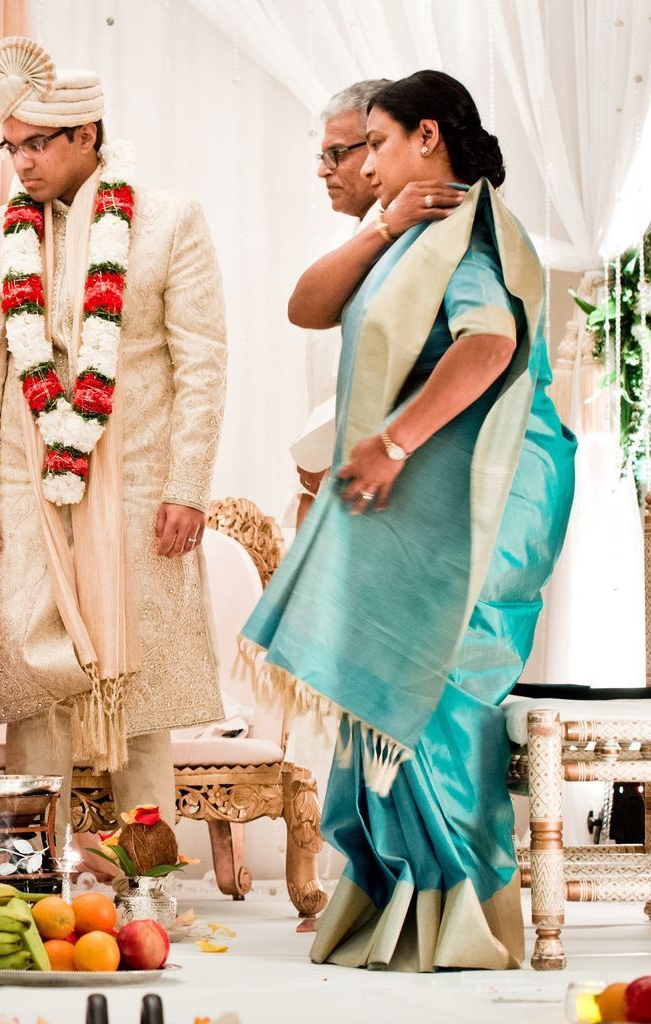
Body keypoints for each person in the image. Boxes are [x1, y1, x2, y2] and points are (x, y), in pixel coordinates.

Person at [242, 70, 576, 971]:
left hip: (484, 487)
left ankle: (457, 916)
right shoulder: (409, 232)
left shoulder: (470, 235)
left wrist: (391, 441)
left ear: (425, 136)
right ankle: (391, 900)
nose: (368, 163)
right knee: (380, 680)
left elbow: (489, 344)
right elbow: (307, 306)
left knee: (440, 684)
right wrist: (383, 222)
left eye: (377, 144)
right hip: (423, 489)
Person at [0, 37, 228, 827]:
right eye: (11, 147)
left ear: (87, 135)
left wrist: (187, 488)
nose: (22, 164)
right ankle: (36, 883)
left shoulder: (168, 221)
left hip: (140, 483)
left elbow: (201, 365)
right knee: (32, 690)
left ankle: (149, 886)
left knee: (138, 691)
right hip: (20, 482)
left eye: (37, 144)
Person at [290, 79, 390, 526]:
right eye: (321, 156)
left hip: (378, 475)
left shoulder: (410, 231)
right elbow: (304, 311)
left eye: (336, 154)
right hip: (335, 470)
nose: (323, 170)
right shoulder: (356, 232)